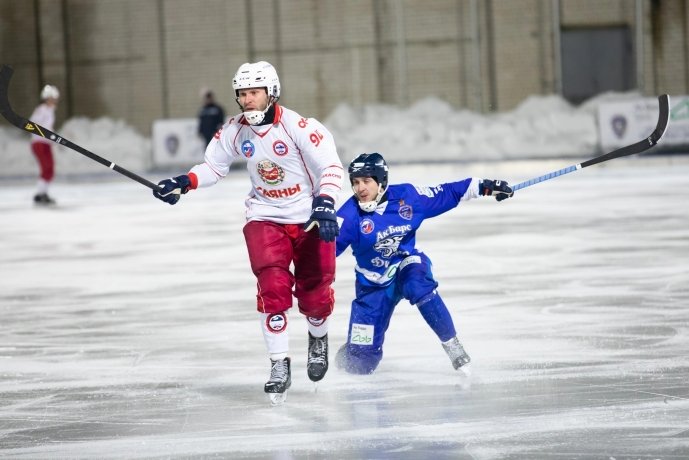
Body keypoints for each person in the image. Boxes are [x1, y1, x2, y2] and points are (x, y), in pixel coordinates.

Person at [152, 61, 344, 404]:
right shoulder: (234, 130)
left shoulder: (299, 127)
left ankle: (318, 340)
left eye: (254, 93)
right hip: (265, 215)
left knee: (315, 291)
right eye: (242, 94)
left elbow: (329, 166)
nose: (247, 100)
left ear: (271, 93)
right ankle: (278, 363)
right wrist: (185, 182)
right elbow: (213, 166)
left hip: (309, 216)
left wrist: (326, 202)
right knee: (272, 287)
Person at [334, 152, 514, 375]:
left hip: (405, 265)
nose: (360, 188)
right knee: (359, 363)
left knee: (417, 283)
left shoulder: (408, 197)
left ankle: (453, 345)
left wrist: (486, 186)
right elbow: (323, 255)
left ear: (381, 181)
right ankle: (353, 349)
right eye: (355, 182)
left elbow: (448, 192)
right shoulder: (348, 216)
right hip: (372, 286)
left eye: (366, 181)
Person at [29, 84, 60, 206]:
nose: (54, 101)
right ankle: (40, 194)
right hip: (39, 143)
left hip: (46, 143)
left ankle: (43, 193)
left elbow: (48, 128)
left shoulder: (50, 110)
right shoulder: (42, 109)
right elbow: (32, 124)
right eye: (52, 98)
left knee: (50, 168)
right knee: (46, 167)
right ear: (47, 98)